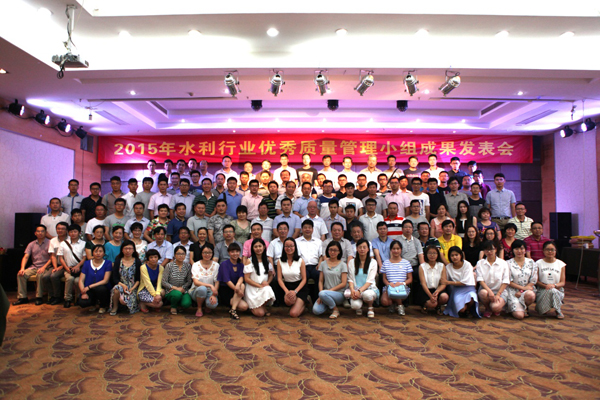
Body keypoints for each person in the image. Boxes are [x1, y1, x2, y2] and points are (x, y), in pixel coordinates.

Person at [13, 225, 51, 306]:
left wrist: (43, 267)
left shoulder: (50, 243)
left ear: (46, 233)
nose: (40, 233)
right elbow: (26, 257)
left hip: (46, 267)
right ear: (35, 233)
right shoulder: (31, 244)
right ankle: (22, 297)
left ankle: (39, 297)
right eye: (38, 231)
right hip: (34, 266)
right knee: (21, 274)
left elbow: (52, 258)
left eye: (42, 231)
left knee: (40, 274)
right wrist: (22, 268)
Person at [441, 247, 480, 318]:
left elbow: (465, 282)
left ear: (461, 255)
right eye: (452, 255)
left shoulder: (467, 264)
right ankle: (463, 310)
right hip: (457, 290)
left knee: (471, 297)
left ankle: (468, 309)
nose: (454, 257)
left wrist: (448, 282)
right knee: (461, 309)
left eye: (456, 255)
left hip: (468, 288)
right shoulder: (448, 267)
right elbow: (444, 281)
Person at [502, 240, 537, 320]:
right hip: (513, 291)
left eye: (521, 248)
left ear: (525, 250)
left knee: (530, 295)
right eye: (516, 249)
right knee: (519, 316)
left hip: (527, 290)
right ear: (512, 250)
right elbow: (508, 281)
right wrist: (522, 288)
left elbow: (533, 280)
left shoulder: (531, 262)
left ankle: (525, 306)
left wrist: (522, 290)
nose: (519, 251)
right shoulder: (507, 263)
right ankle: (513, 307)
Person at [312, 241, 348, 318]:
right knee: (316, 311)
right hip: (325, 293)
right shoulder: (323, 264)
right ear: (327, 251)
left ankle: (335, 310)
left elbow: (344, 283)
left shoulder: (343, 265)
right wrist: (321, 294)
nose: (332, 252)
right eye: (330, 250)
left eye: (335, 250)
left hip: (339, 294)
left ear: (339, 252)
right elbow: (320, 281)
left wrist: (328, 291)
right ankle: (329, 305)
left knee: (323, 294)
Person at [345, 239, 379, 318]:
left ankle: (370, 307)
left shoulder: (373, 262)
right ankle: (359, 306)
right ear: (356, 248)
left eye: (364, 247)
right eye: (360, 247)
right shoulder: (352, 262)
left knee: (367, 295)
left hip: (369, 289)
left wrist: (359, 291)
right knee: (355, 306)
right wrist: (352, 290)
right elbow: (350, 279)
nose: (362, 249)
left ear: (368, 249)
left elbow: (370, 281)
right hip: (356, 289)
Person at [476, 240, 510, 318]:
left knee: (495, 307)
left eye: (491, 249)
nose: (489, 252)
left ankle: (495, 307)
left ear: (496, 250)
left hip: (500, 291)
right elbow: (480, 280)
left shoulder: (503, 263)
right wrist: (489, 291)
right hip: (486, 290)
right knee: (483, 293)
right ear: (484, 251)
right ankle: (488, 308)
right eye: (487, 250)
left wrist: (498, 294)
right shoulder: (480, 263)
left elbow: (505, 281)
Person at [276, 238, 308, 317]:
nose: (289, 248)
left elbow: (304, 279)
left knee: (293, 314)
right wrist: (287, 292)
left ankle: (304, 304)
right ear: (284, 247)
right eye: (287, 246)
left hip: (299, 288)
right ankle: (296, 304)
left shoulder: (300, 261)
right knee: (288, 302)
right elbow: (279, 279)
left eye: (291, 246)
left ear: (295, 247)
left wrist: (295, 292)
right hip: (287, 287)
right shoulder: (280, 261)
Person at [243, 238, 275, 316]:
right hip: (252, 289)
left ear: (264, 247)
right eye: (256, 247)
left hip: (263, 287)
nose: (258, 248)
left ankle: (263, 306)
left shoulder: (267, 260)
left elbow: (271, 275)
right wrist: (259, 285)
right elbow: (246, 278)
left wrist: (267, 283)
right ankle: (254, 307)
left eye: (260, 246)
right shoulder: (249, 261)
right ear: (252, 248)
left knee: (268, 289)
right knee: (260, 314)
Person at [380, 240, 412, 316]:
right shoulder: (386, 263)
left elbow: (410, 279)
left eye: (398, 249)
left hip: (402, 288)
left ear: (401, 250)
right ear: (391, 250)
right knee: (385, 301)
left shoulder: (406, 263)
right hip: (389, 287)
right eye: (394, 249)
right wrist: (388, 284)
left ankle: (400, 305)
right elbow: (384, 278)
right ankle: (394, 304)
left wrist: (402, 283)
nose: (396, 251)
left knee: (397, 291)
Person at [109, 240, 141, 315]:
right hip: (121, 285)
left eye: (130, 248)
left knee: (123, 301)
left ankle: (125, 304)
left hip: (132, 287)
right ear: (122, 250)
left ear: (133, 250)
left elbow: (138, 279)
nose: (128, 251)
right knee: (116, 289)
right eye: (126, 248)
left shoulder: (137, 261)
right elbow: (115, 278)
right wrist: (122, 285)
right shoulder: (118, 261)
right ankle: (115, 307)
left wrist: (132, 289)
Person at [78, 244, 113, 313]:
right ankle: (93, 304)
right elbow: (81, 280)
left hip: (102, 289)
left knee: (100, 289)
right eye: (96, 251)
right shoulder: (87, 263)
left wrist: (89, 287)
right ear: (92, 253)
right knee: (82, 303)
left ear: (104, 253)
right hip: (89, 289)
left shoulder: (108, 263)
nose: (98, 253)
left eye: (100, 251)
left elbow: (105, 281)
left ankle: (103, 306)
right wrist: (83, 292)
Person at [535, 241, 566, 319]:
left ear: (555, 251)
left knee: (553, 291)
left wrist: (553, 285)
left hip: (557, 289)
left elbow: (562, 282)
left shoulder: (561, 264)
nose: (550, 252)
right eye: (547, 249)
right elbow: (536, 281)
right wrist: (546, 286)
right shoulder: (538, 263)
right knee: (542, 311)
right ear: (543, 251)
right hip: (542, 289)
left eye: (552, 250)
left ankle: (558, 310)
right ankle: (545, 307)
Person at [58, 224, 86, 308]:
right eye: (71, 232)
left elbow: (84, 258)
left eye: (75, 231)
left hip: (80, 268)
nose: (73, 233)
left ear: (79, 233)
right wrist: (66, 268)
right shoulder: (63, 243)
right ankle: (67, 299)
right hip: (68, 268)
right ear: (68, 233)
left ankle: (78, 298)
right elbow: (61, 258)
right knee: (69, 279)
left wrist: (78, 266)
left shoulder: (84, 243)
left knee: (78, 281)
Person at [217, 243, 248, 319]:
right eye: (232, 252)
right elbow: (227, 280)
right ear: (229, 253)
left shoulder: (241, 265)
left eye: (237, 251)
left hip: (237, 289)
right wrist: (237, 289)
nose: (235, 254)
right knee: (243, 305)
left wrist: (238, 285)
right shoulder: (224, 264)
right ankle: (233, 310)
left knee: (245, 307)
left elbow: (241, 277)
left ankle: (233, 309)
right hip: (226, 290)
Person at [189, 244, 220, 317]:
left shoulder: (216, 265)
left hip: (210, 291)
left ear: (212, 253)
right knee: (202, 289)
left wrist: (213, 294)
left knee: (212, 305)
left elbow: (217, 281)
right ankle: (199, 307)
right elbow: (196, 282)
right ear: (201, 253)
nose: (207, 255)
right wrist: (210, 285)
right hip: (196, 290)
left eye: (209, 252)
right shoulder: (196, 265)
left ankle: (207, 305)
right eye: (205, 252)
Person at [161, 245, 193, 315]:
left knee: (187, 303)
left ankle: (179, 304)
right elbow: (164, 281)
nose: (181, 256)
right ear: (175, 255)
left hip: (183, 290)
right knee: (177, 294)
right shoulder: (169, 265)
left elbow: (189, 281)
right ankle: (173, 306)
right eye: (178, 254)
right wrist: (175, 288)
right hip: (171, 290)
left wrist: (183, 288)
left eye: (183, 254)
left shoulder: (188, 266)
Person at [296, 220, 323, 302]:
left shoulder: (318, 241)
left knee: (319, 275)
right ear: (302, 229)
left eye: (309, 227)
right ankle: (304, 299)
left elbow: (321, 255)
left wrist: (320, 264)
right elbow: (297, 256)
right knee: (304, 276)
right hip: (302, 266)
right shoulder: (297, 241)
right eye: (305, 227)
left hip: (315, 265)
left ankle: (317, 299)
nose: (307, 229)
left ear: (312, 229)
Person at [417, 246, 449, 315]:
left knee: (444, 297)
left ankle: (438, 306)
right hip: (426, 290)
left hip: (437, 289)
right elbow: (423, 284)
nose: (432, 255)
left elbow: (443, 283)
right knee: (432, 304)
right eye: (430, 253)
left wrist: (437, 292)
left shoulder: (441, 266)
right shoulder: (422, 266)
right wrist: (431, 296)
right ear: (426, 254)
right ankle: (425, 306)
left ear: (438, 255)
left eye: (434, 253)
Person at [44, 222, 69, 305]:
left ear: (67, 230)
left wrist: (62, 266)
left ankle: (58, 297)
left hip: (66, 265)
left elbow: (69, 257)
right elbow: (53, 255)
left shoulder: (70, 240)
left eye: (63, 229)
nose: (60, 230)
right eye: (58, 229)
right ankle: (52, 296)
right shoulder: (53, 241)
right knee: (45, 276)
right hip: (56, 264)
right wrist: (55, 267)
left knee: (54, 276)